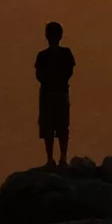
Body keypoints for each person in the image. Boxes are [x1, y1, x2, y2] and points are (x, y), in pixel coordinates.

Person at [34, 21, 76, 167]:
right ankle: (60, 158)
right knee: (59, 126)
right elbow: (69, 72)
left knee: (52, 126)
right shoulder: (65, 54)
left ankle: (53, 158)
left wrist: (50, 82)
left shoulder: (44, 56)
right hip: (58, 93)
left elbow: (39, 75)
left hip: (50, 94)